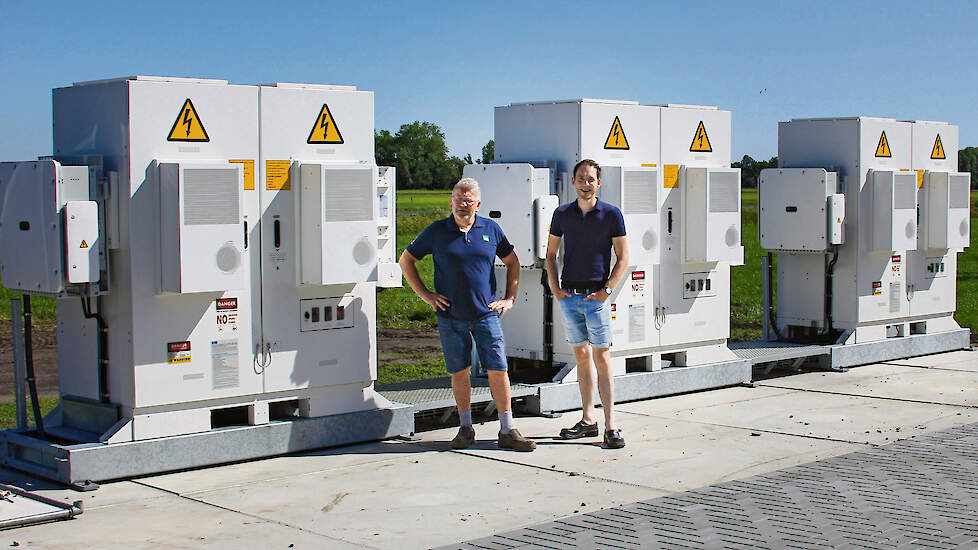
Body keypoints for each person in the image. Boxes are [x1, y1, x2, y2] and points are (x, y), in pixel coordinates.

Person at [399, 178, 536, 452]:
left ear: (478, 204)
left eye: (469, 200)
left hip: (486, 314)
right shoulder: (437, 232)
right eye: (459, 200)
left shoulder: (491, 229)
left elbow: (513, 262)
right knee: (459, 371)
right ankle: (465, 428)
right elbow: (406, 260)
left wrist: (509, 299)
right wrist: (426, 295)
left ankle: (508, 429)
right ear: (451, 202)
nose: (463, 205)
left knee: (498, 369)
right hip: (451, 316)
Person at [546, 159, 629, 449]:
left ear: (599, 182)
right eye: (581, 178)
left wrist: (607, 290)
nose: (585, 183)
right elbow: (551, 254)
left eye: (591, 179)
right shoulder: (562, 214)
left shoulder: (611, 215)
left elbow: (623, 258)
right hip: (569, 298)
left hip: (596, 299)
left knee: (602, 358)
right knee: (581, 358)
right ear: (573, 182)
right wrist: (556, 288)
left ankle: (611, 426)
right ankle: (588, 420)